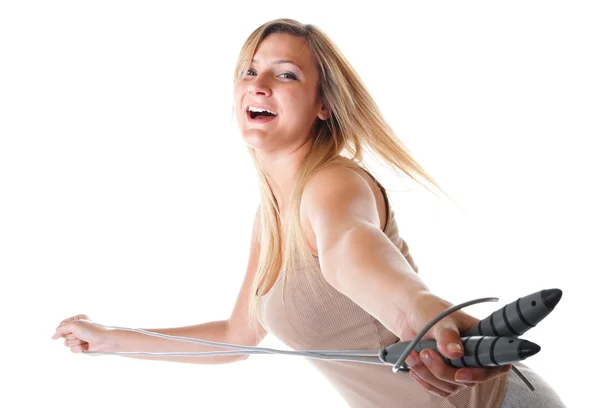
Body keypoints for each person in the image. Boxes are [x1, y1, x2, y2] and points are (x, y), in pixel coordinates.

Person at [52, 18, 566, 408]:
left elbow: (349, 248)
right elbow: (238, 338)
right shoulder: (271, 217)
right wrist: (109, 340)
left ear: (323, 105)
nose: (259, 83)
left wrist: (416, 308)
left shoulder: (333, 184)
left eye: (286, 74)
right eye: (249, 71)